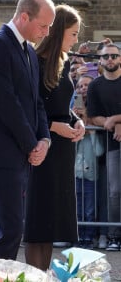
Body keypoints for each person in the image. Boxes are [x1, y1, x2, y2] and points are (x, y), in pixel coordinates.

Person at [0, 0, 55, 280]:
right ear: (24, 17)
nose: (46, 33)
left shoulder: (29, 52)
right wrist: (31, 143)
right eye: (43, 26)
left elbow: (35, 103)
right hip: (0, 152)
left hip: (19, 152)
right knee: (9, 229)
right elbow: (4, 103)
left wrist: (44, 139)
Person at [23, 4, 85, 271]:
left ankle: (44, 274)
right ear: (58, 32)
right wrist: (53, 127)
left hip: (61, 150)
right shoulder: (34, 61)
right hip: (40, 146)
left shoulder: (64, 60)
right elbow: (29, 106)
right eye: (73, 34)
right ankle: (34, 274)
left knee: (51, 221)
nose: (76, 40)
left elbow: (60, 103)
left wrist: (75, 119)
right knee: (37, 219)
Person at [87, 43, 121, 251]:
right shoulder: (95, 85)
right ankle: (114, 236)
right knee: (114, 192)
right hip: (111, 145)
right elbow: (93, 115)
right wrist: (108, 122)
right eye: (106, 56)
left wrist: (117, 119)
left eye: (114, 56)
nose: (110, 59)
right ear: (100, 60)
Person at [73, 74, 104, 249]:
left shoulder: (95, 113)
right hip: (75, 173)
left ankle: (88, 237)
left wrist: (90, 130)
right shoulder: (71, 111)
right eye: (80, 86)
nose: (83, 89)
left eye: (87, 85)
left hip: (91, 174)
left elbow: (99, 150)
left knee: (90, 208)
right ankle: (77, 236)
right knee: (76, 207)